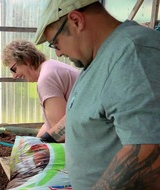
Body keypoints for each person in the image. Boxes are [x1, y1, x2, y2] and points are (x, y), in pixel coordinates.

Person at [34, 0, 160, 189]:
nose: (58, 53)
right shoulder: (96, 58)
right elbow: (83, 112)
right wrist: (47, 141)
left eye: (55, 43)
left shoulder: (133, 53)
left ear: (76, 21)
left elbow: (150, 149)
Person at [2, 40, 79, 142]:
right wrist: (35, 142)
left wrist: (41, 145)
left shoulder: (46, 78)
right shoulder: (51, 67)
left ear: (27, 60)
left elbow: (62, 131)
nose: (14, 76)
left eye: (14, 69)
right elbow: (53, 124)